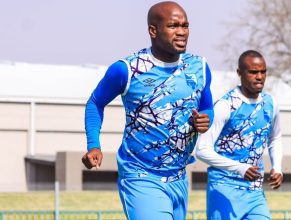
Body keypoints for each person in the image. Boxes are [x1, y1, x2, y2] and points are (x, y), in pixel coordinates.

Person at [81, 1, 214, 219]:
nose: (181, 32)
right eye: (173, 26)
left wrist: (205, 119)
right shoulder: (126, 70)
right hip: (140, 174)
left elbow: (206, 106)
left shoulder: (199, 67)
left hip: (178, 177)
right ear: (153, 30)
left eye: (185, 25)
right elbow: (95, 103)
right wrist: (94, 145)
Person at [196, 50, 283, 220]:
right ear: (239, 73)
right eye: (253, 72)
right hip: (224, 190)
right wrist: (239, 168)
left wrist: (277, 168)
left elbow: (275, 138)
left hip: (254, 192)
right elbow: (202, 149)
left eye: (263, 71)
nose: (259, 77)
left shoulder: (270, 103)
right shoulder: (225, 105)